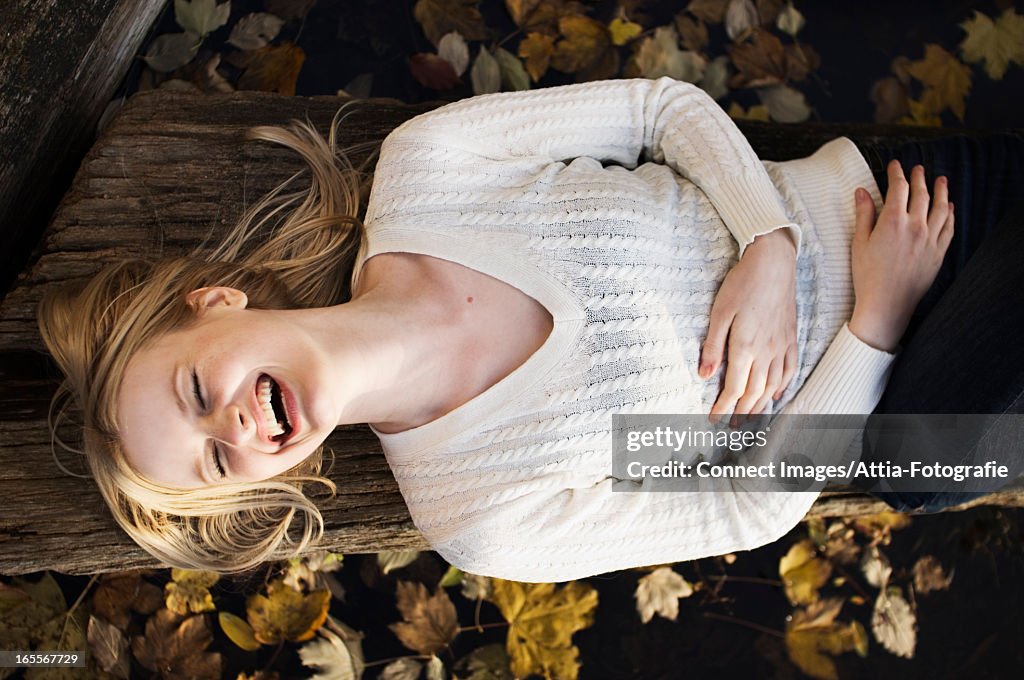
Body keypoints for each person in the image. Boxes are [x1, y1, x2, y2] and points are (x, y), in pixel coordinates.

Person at [39, 77, 966, 581]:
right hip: (919, 420)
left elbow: (659, 112)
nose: (230, 428)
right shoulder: (479, 515)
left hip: (884, 202)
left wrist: (767, 240)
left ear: (215, 301)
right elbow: (746, 504)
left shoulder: (430, 171)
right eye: (214, 463)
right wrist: (876, 324)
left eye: (197, 391)